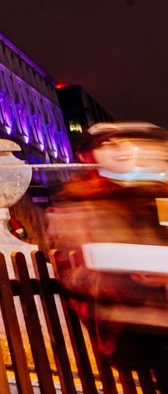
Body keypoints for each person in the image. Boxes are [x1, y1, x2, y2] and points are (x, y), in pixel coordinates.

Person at [46, 122, 168, 365]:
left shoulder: (155, 193)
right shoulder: (76, 199)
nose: (122, 149)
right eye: (108, 144)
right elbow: (70, 271)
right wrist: (126, 276)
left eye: (124, 142)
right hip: (130, 321)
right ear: (88, 155)